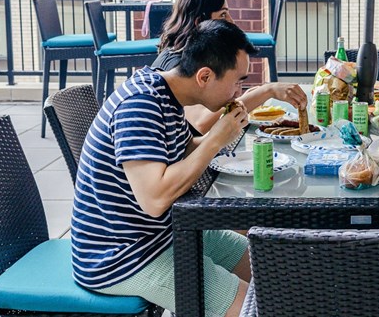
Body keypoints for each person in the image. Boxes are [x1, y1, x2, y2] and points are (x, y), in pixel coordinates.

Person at [71, 20, 258, 317]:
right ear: (205, 76)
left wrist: (217, 137)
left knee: (274, 267)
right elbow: (155, 199)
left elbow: (184, 152)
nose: (239, 92)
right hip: (123, 255)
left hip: (169, 233)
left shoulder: (165, 93)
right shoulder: (140, 104)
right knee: (254, 308)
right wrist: (215, 140)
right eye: (238, 81)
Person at [152, 0, 307, 133]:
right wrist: (267, 91)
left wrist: (245, 96)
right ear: (200, 22)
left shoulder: (179, 50)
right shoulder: (180, 62)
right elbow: (201, 123)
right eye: (223, 15)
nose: (232, 22)